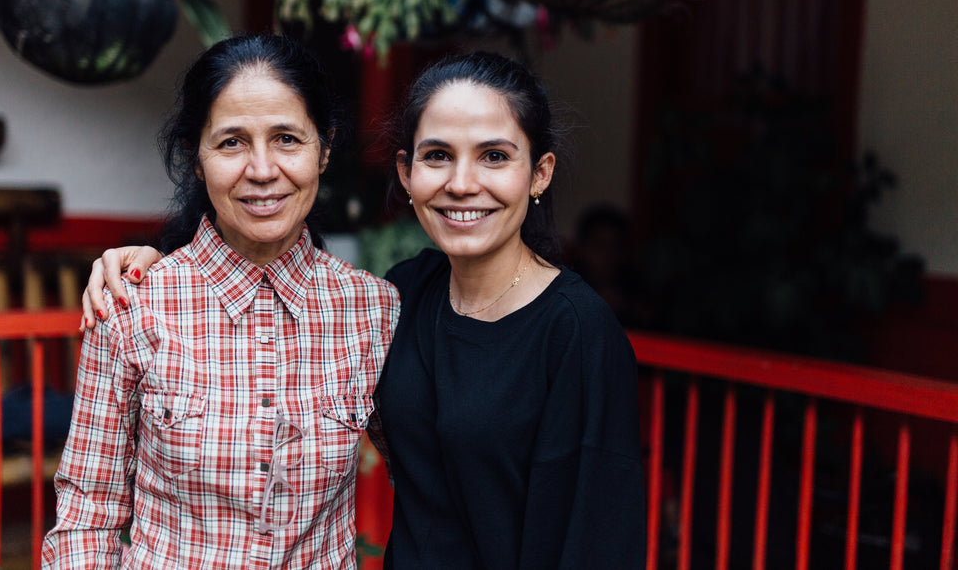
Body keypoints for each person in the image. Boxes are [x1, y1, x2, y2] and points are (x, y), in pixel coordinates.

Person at [82, 51, 646, 569]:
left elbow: (596, 529)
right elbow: (89, 508)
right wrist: (152, 264)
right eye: (231, 142)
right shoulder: (405, 296)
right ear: (406, 173)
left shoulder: (389, 310)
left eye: (495, 156)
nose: (463, 183)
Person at [43, 33, 400, 569]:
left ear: (324, 150)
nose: (261, 170)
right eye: (232, 142)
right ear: (196, 157)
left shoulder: (373, 310)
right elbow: (87, 516)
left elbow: (435, 478)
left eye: (287, 139)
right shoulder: (131, 305)